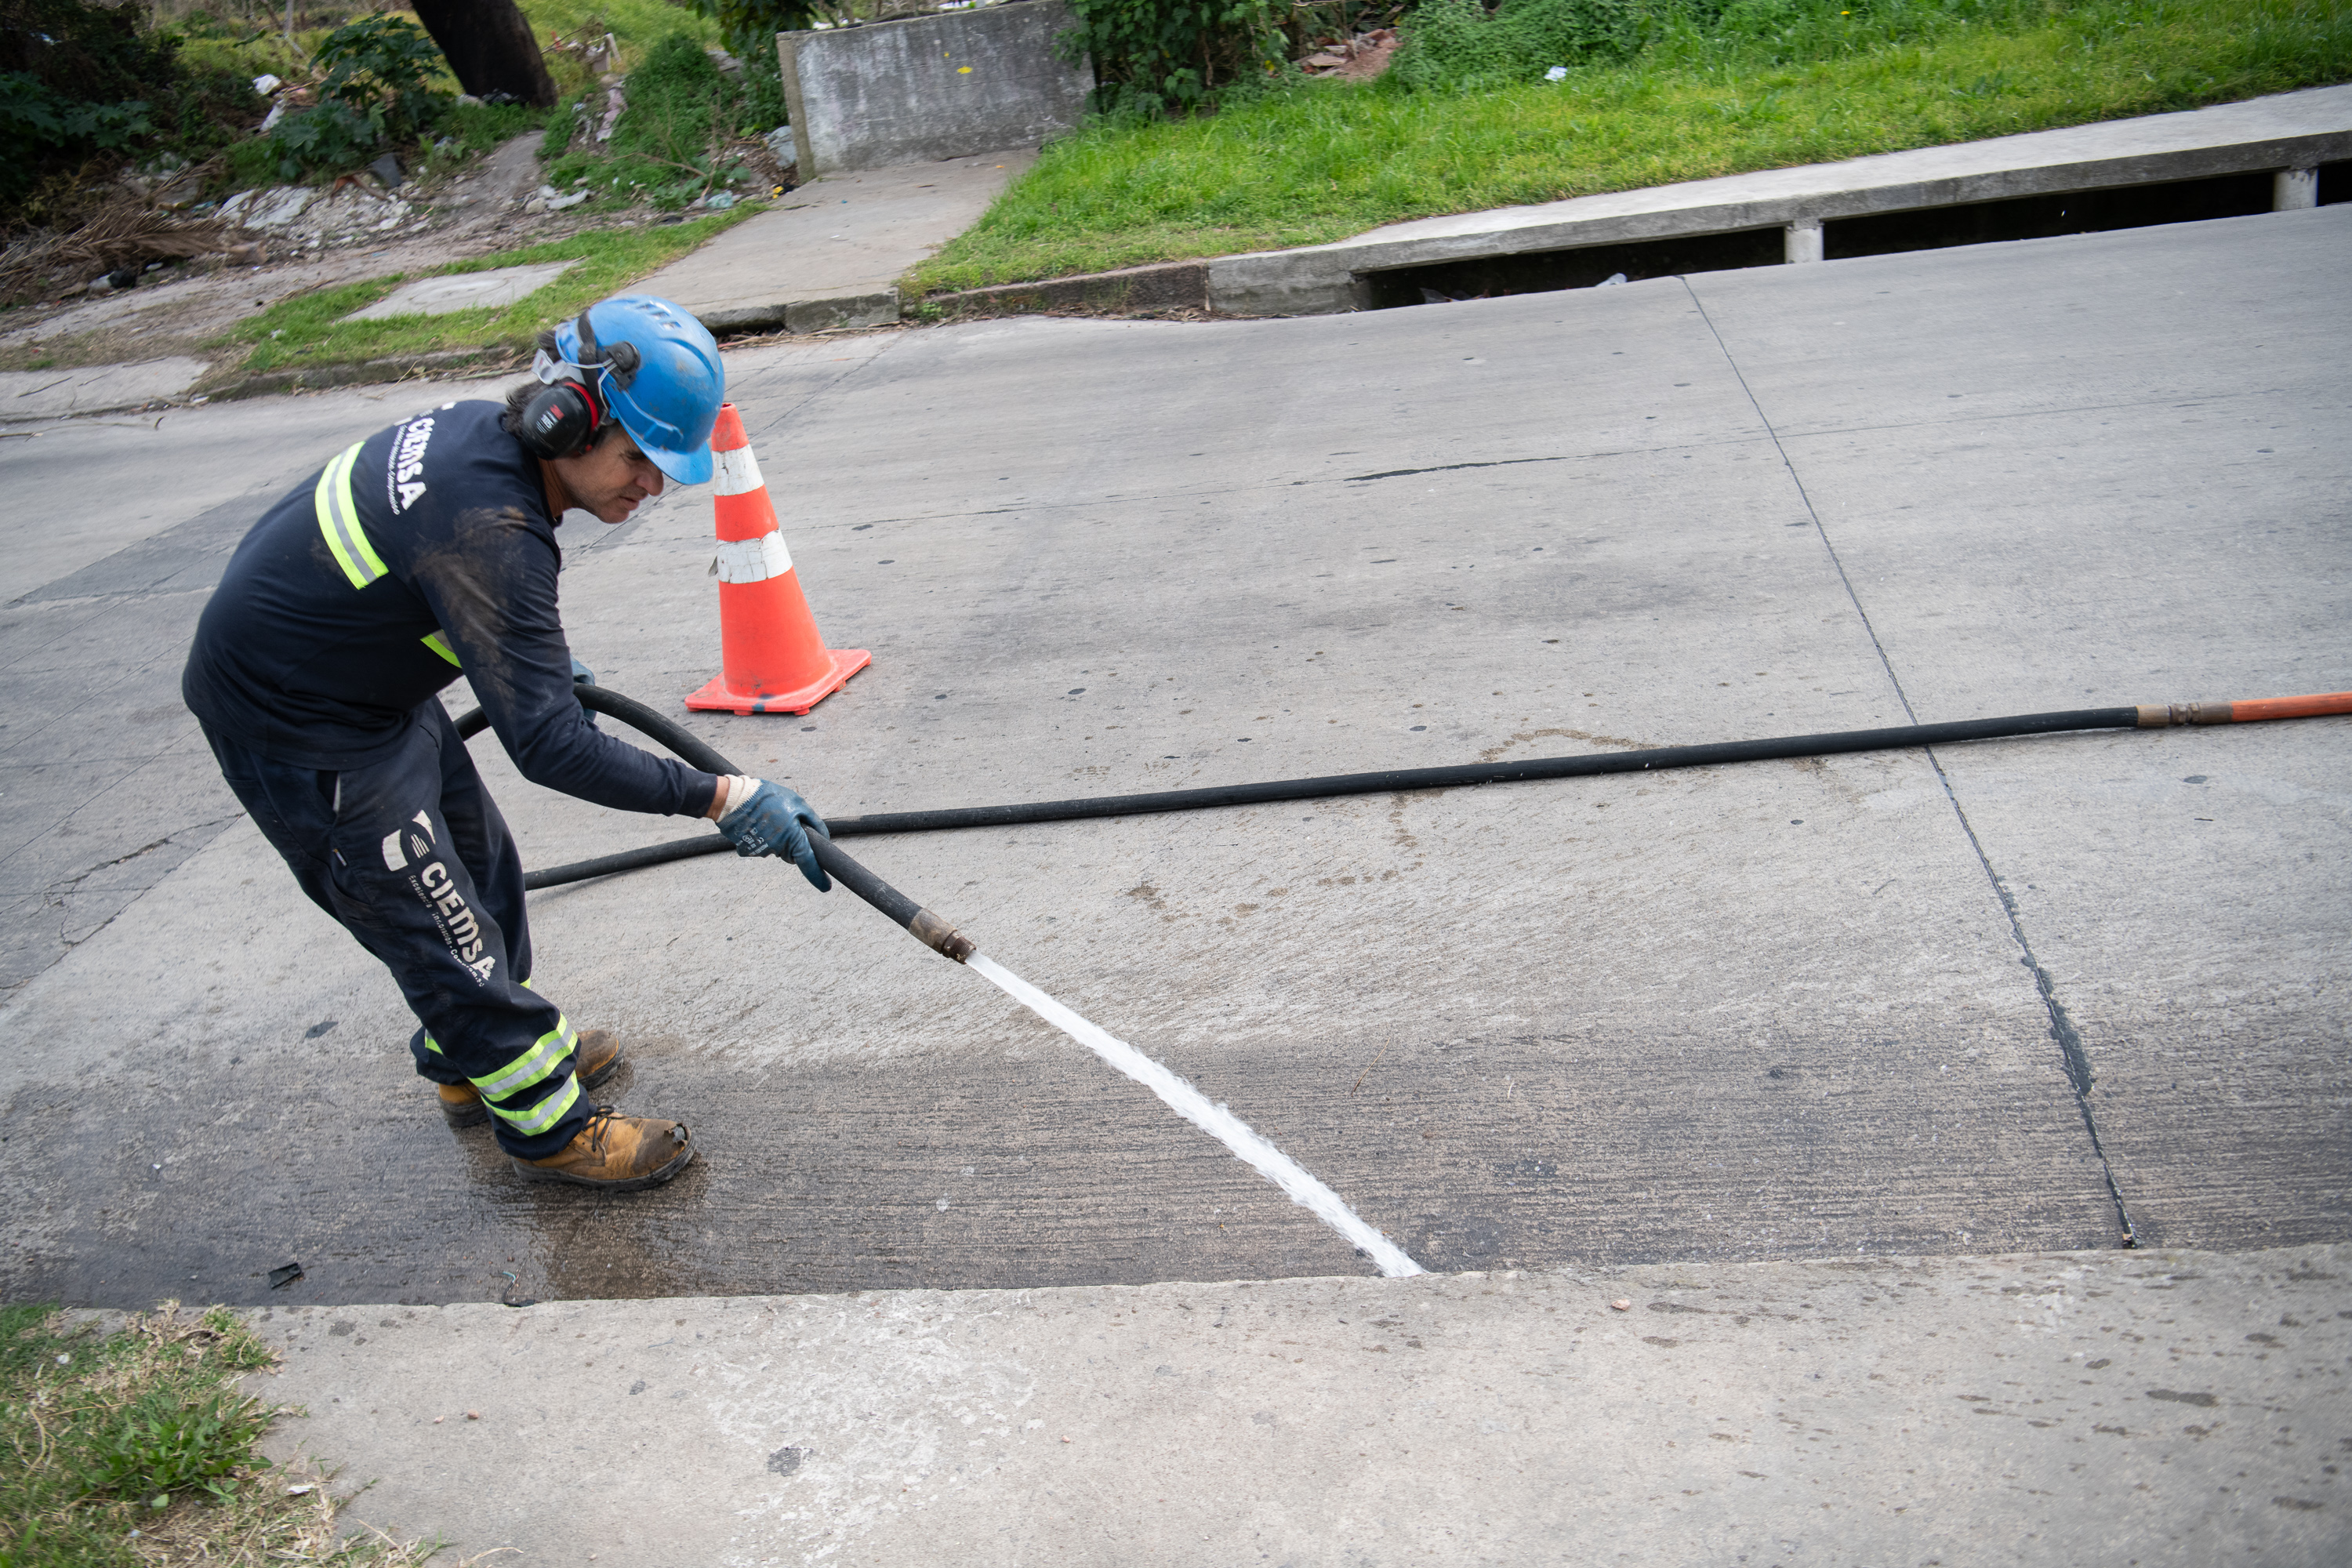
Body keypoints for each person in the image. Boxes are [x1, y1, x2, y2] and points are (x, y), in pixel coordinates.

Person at [180, 295, 829, 1191]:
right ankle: (550, 1129)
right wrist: (723, 797)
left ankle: (471, 1054)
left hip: (369, 695)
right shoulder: (492, 531)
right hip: (302, 732)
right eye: (641, 457)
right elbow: (551, 749)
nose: (655, 486)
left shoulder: (478, 445)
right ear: (571, 418)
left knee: (482, 869)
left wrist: (527, 662)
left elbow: (426, 583)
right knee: (440, 925)